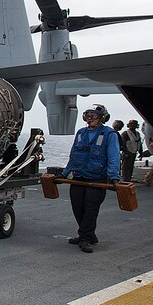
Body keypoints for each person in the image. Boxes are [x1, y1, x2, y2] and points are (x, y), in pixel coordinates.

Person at [61, 103, 120, 253]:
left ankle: (85, 238)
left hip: (97, 178)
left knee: (90, 209)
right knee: (77, 207)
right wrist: (64, 173)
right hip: (79, 176)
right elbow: (73, 156)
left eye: (93, 116)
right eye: (88, 116)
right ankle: (89, 234)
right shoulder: (81, 133)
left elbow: (113, 156)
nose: (90, 119)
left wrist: (114, 177)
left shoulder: (109, 134)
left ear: (102, 118)